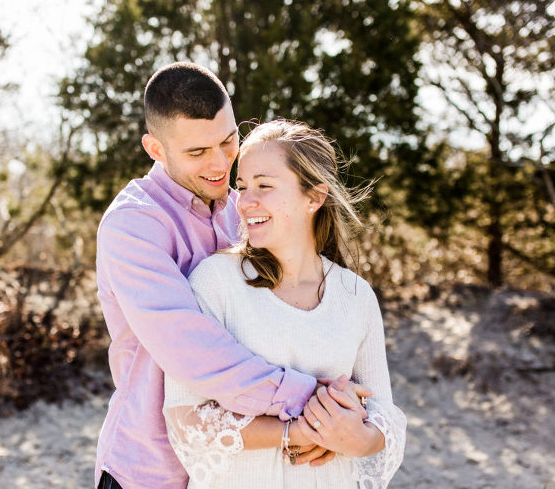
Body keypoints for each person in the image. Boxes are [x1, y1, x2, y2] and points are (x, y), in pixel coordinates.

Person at [94, 63, 366, 489]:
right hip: (151, 469)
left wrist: (335, 418)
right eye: (198, 152)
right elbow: (192, 348)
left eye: (227, 140)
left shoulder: (249, 212)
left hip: (242, 468)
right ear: (155, 148)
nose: (221, 164)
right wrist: (310, 403)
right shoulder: (133, 226)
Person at [163, 120, 406, 488]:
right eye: (242, 186)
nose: (244, 202)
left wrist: (361, 439)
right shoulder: (215, 282)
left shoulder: (355, 295)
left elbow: (382, 411)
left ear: (314, 197)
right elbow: (186, 420)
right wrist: (297, 431)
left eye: (265, 186)